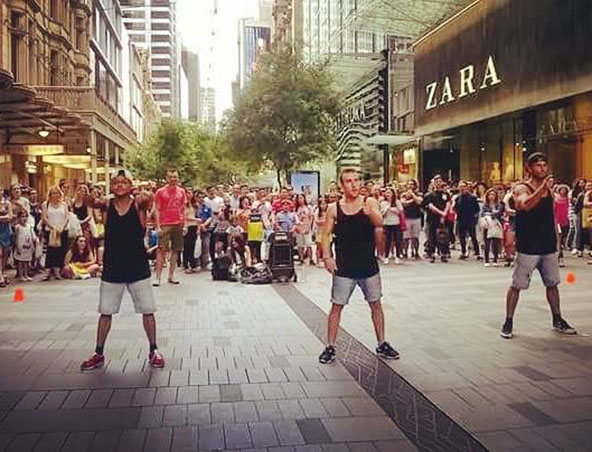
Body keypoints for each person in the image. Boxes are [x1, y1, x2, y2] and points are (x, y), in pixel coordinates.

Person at [81, 169, 164, 371]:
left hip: (137, 264)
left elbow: (149, 198)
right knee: (105, 311)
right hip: (113, 265)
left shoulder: (138, 204)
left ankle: (154, 350)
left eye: (123, 182)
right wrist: (89, 191)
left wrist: (142, 192)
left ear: (130, 185)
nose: (119, 185)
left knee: (147, 310)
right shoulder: (107, 205)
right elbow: (90, 202)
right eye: (115, 182)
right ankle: (98, 353)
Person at [318, 168, 399, 364]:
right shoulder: (334, 208)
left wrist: (371, 214)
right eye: (348, 181)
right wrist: (327, 257)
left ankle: (381, 343)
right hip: (344, 267)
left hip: (367, 265)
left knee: (375, 304)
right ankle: (330, 346)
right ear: (341, 185)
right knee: (336, 306)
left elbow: (380, 224)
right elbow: (325, 234)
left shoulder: (369, 202)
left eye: (356, 180)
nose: (353, 184)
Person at [500, 153, 576, 339]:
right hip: (528, 246)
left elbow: (551, 215)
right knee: (517, 285)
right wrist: (543, 187)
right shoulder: (521, 188)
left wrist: (557, 241)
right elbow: (524, 205)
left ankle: (557, 319)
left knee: (552, 284)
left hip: (547, 244)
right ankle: (508, 322)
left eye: (544, 165)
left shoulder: (550, 190)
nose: (542, 169)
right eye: (538, 165)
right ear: (529, 168)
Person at [153, 169, 187, 286]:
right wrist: (158, 226)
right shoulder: (160, 192)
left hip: (178, 223)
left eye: (175, 177)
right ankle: (157, 277)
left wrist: (185, 224)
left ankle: (171, 275)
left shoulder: (182, 191)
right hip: (165, 224)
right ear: (167, 178)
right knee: (161, 250)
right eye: (171, 177)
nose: (173, 179)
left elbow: (183, 209)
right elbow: (157, 209)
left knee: (176, 250)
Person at [42, 187, 69, 280]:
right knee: (50, 251)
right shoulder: (46, 204)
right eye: (53, 193)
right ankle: (47, 271)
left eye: (57, 193)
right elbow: (44, 218)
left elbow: (66, 216)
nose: (55, 195)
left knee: (60, 251)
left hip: (62, 230)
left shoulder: (64, 204)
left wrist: (62, 227)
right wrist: (53, 227)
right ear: (50, 195)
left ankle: (57, 272)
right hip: (50, 230)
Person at [423, 175, 451, 263]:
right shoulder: (430, 195)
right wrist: (441, 213)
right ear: (433, 183)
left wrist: (444, 214)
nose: (438, 184)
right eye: (436, 182)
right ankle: (432, 254)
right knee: (432, 236)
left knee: (444, 236)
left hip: (443, 218)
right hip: (432, 218)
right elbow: (430, 206)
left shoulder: (445, 194)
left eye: (440, 182)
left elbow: (448, 204)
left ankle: (444, 253)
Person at [455, 180, 481, 260]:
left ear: (467, 187)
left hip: (470, 219)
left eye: (464, 186)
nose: (462, 188)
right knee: (462, 237)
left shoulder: (472, 198)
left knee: (473, 236)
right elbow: (455, 208)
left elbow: (477, 209)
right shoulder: (457, 198)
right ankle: (463, 252)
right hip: (461, 219)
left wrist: (475, 219)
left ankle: (477, 252)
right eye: (461, 187)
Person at [480, 188, 504, 267]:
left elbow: (499, 213)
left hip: (496, 224)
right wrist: (492, 214)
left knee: (496, 243)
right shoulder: (485, 205)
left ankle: (495, 260)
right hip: (487, 224)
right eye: (490, 194)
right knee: (487, 242)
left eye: (493, 194)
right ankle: (486, 260)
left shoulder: (499, 204)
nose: (491, 196)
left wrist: (491, 214)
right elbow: (482, 214)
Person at [380, 188, 403, 264]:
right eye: (387, 193)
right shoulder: (383, 203)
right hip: (387, 223)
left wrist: (395, 210)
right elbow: (381, 214)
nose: (388, 194)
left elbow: (401, 212)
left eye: (389, 193)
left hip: (396, 223)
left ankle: (397, 256)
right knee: (388, 240)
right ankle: (386, 256)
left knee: (397, 240)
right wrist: (386, 210)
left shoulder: (397, 202)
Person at [401, 179, 423, 259]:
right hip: (406, 218)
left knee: (415, 237)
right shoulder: (403, 195)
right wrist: (413, 200)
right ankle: (405, 252)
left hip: (416, 218)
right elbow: (404, 204)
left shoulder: (419, 194)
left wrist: (413, 195)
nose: (410, 186)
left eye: (412, 184)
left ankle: (416, 252)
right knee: (406, 238)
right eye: (409, 184)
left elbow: (419, 202)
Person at [13, 210, 37, 282]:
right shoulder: (17, 227)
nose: (24, 218)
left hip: (28, 245)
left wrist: (34, 242)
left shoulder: (29, 226)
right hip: (20, 246)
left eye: (26, 216)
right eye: (22, 216)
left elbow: (32, 235)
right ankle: (21, 275)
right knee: (20, 261)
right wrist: (17, 246)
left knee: (26, 261)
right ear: (18, 218)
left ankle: (26, 274)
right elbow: (16, 237)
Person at [183, 187, 199, 274]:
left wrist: (198, 227)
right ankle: (186, 265)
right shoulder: (183, 204)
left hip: (194, 226)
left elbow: (197, 216)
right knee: (187, 246)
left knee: (192, 246)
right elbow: (184, 216)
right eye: (187, 193)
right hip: (187, 226)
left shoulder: (194, 204)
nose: (189, 195)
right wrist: (195, 220)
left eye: (191, 193)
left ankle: (193, 264)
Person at [294, 194, 314, 264]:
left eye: (301, 198)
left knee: (308, 244)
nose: (300, 200)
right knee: (300, 245)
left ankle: (310, 259)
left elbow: (311, 218)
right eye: (299, 198)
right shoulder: (296, 208)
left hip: (306, 227)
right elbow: (295, 219)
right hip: (299, 228)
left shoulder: (308, 207)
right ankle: (301, 259)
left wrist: (309, 227)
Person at [554, 184, 570, 267]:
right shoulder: (555, 199)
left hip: (564, 221)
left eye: (564, 190)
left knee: (562, 238)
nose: (563, 191)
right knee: (558, 239)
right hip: (557, 221)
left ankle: (559, 256)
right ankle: (559, 257)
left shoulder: (567, 199)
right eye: (561, 190)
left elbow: (568, 209)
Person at [0, 195, 12, 287]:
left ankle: (2, 273)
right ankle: (0, 277)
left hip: (5, 230)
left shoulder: (7, 203)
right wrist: (5, 218)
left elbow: (10, 216)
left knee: (5, 253)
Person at [314, 197, 329, 267]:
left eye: (324, 203)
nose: (323, 205)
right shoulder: (317, 211)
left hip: (327, 232)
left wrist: (324, 222)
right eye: (321, 204)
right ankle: (317, 261)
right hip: (319, 232)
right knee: (319, 247)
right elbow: (317, 221)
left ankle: (326, 261)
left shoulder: (329, 211)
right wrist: (325, 221)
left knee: (327, 247)